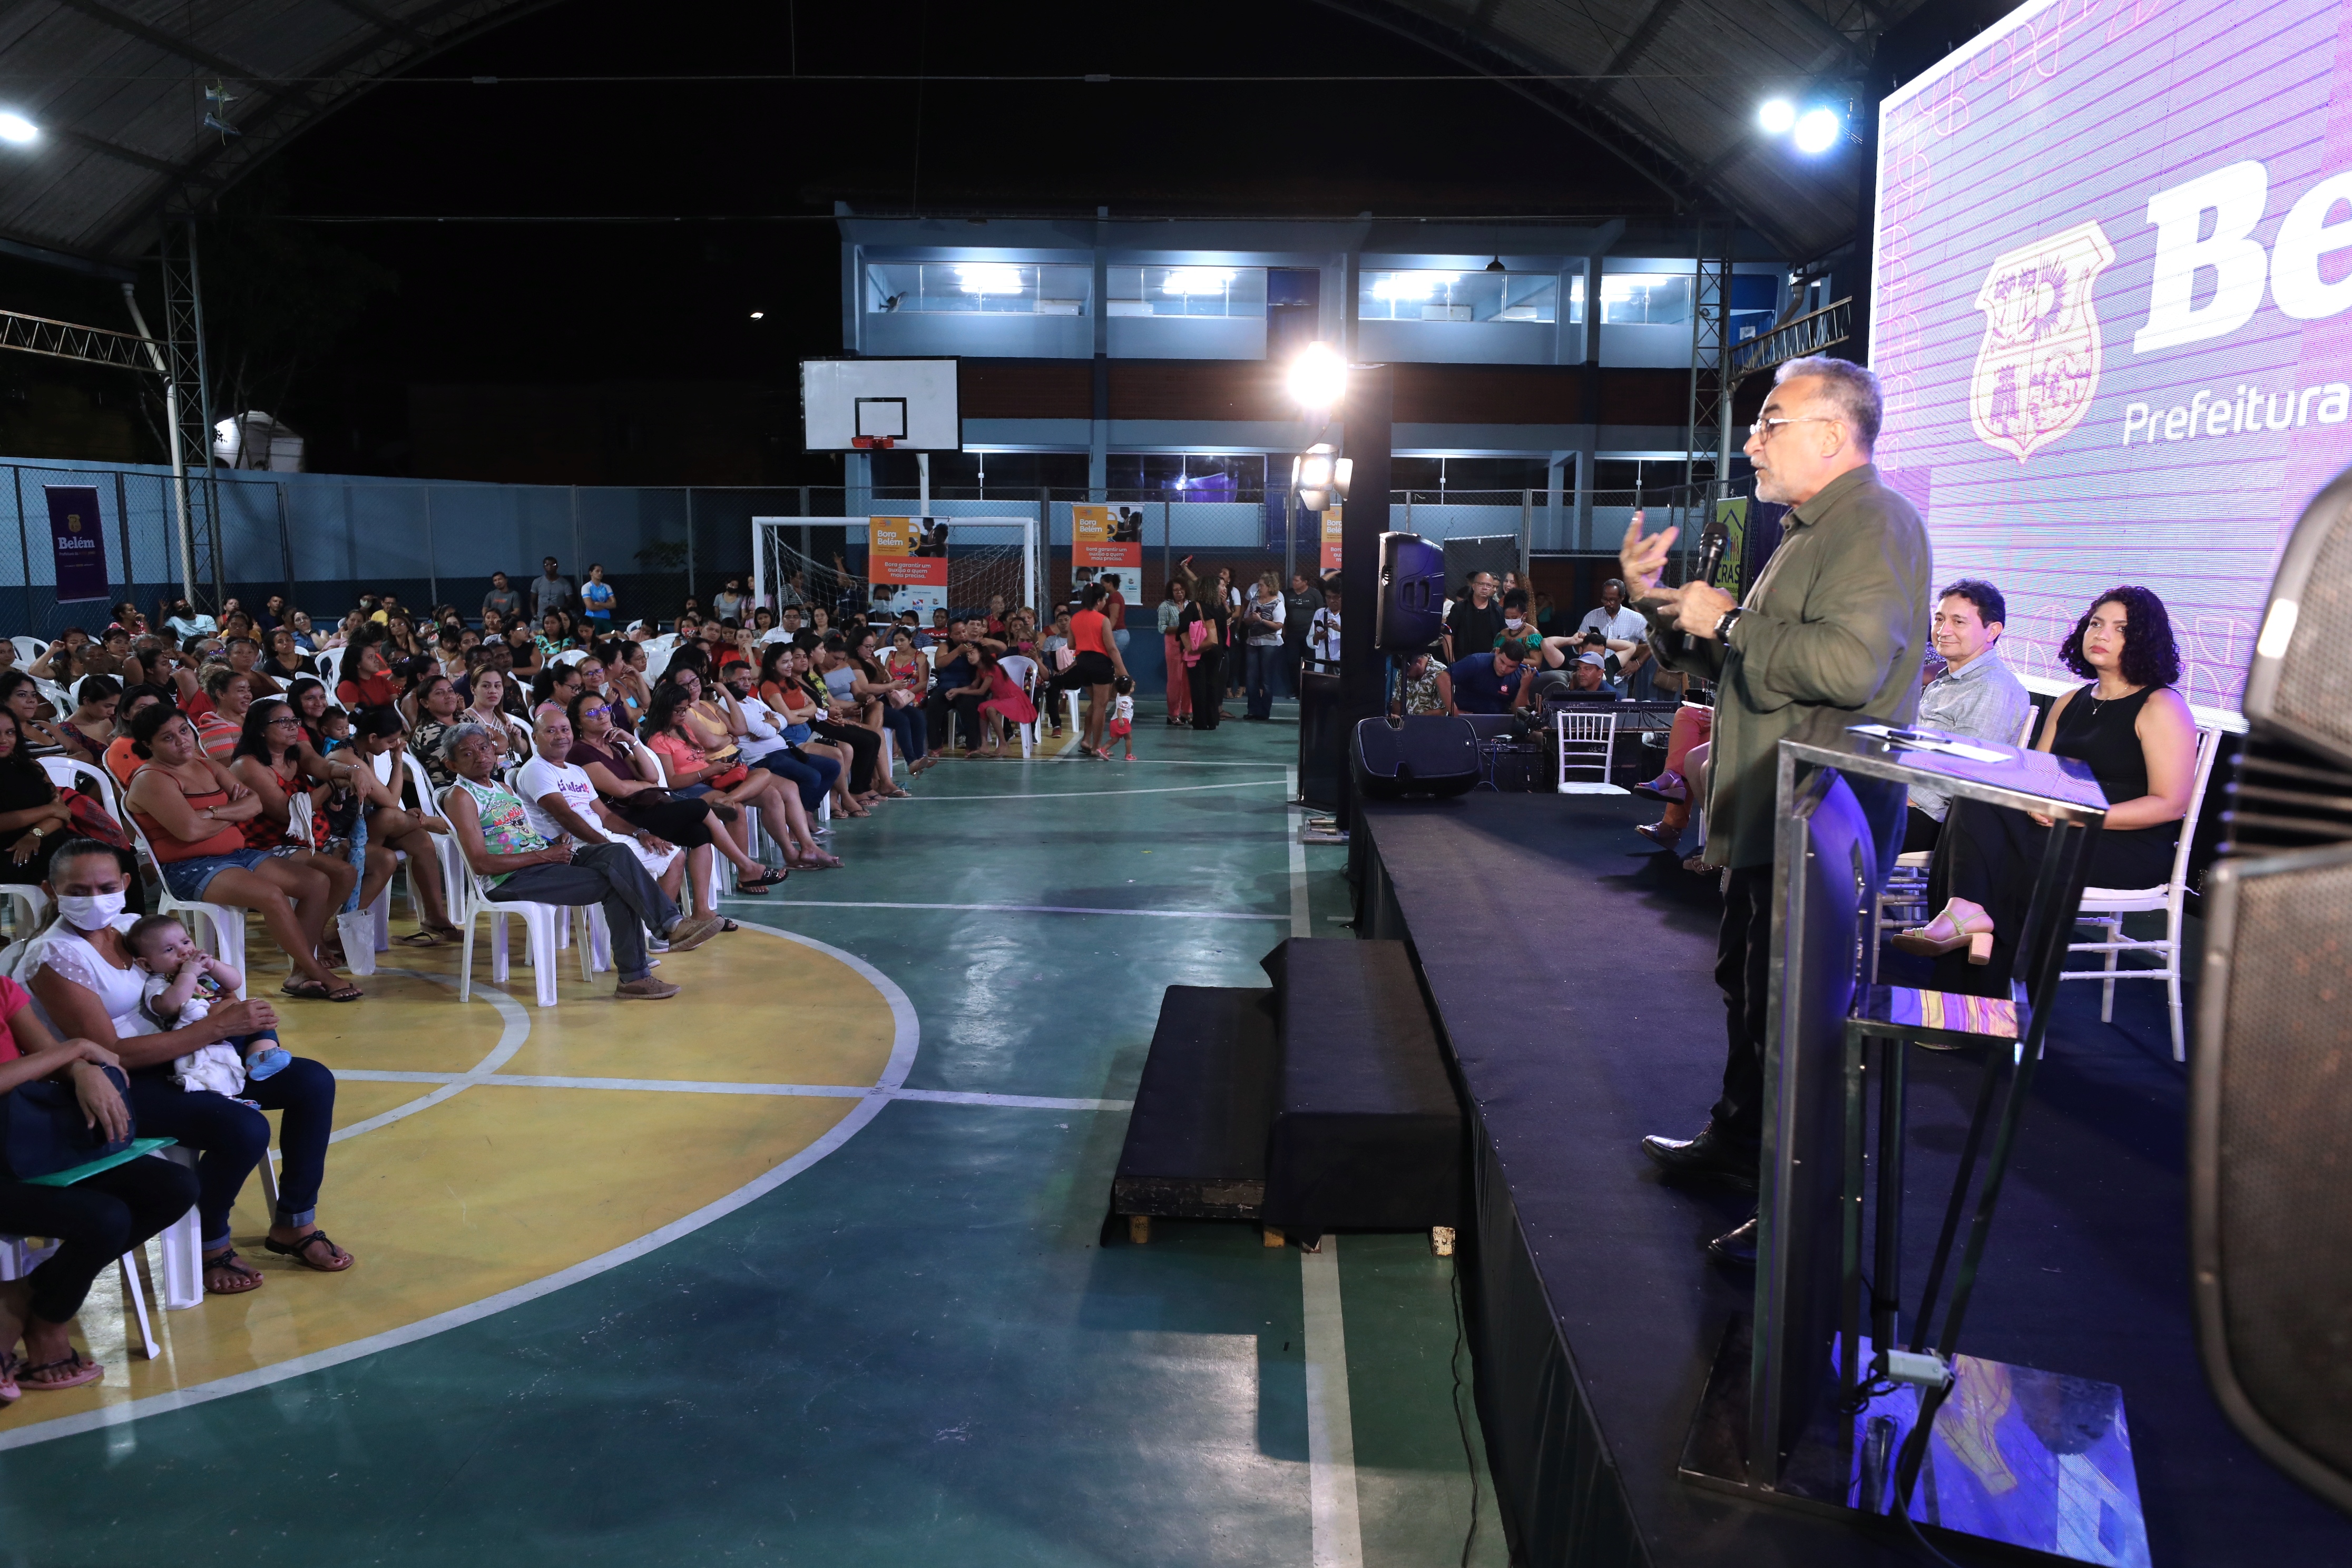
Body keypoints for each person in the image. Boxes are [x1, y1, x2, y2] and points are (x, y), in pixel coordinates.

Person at [1621, 355, 1930, 1267]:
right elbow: (1742, 669)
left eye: (1769, 421)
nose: (1750, 440)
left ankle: (1799, 1214)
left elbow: (1844, 669)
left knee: (1802, 1020)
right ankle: (1736, 1147)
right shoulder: (1807, 529)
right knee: (1752, 997)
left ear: (1831, 433)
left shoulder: (1871, 522)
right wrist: (1659, 609)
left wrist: (1725, 622)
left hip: (1821, 821)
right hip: (1777, 816)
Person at [32, 838, 351, 1294]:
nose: (94, 898)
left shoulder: (130, 928)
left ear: (125, 883)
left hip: (179, 1052)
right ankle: (210, 1241)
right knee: (242, 1129)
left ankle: (294, 1222)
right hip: (115, 1080)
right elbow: (108, 1052)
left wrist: (220, 1004)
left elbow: (192, 982)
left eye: (105, 885)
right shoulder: (56, 956)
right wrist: (214, 1030)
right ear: (51, 891)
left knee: (312, 1082)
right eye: (78, 891)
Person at [1901, 586, 2197, 995]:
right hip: (2062, 825)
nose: (2101, 635)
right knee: (1978, 796)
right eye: (2096, 624)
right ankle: (1967, 931)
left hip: (2126, 841)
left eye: (2120, 629)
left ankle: (1972, 980)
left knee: (2000, 854)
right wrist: (2036, 805)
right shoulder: (2070, 700)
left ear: (2145, 639)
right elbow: (2031, 777)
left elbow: (2170, 804)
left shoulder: (2162, 705)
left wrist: (2076, 815)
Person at [0, 976, 198, 1390]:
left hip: (25, 1143)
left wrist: (79, 1070)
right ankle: (50, 1321)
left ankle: (21, 1299)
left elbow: (48, 1054)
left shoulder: (3, 988)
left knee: (173, 1188)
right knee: (103, 1219)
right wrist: (76, 1049)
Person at [439, 723, 721, 1001]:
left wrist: (551, 845)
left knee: (617, 854)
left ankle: (669, 926)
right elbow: (481, 864)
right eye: (467, 753)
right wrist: (544, 855)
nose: (480, 756)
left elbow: (521, 836)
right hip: (508, 879)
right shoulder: (461, 797)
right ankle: (638, 971)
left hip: (541, 863)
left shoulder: (502, 788)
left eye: (484, 747)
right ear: (451, 765)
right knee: (617, 883)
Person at [122, 704, 362, 1002]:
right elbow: (190, 833)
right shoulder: (152, 779)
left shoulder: (207, 765)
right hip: (189, 867)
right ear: (149, 745)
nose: (182, 741)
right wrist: (231, 814)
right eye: (168, 738)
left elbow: (255, 805)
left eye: (184, 731)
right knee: (271, 894)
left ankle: (301, 973)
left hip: (239, 855)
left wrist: (210, 814)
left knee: (317, 883)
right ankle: (320, 974)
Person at [1900, 580, 2034, 854]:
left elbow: (1961, 776)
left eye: (1958, 622)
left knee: (1816, 824)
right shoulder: (1946, 680)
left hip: (1937, 821)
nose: (1942, 630)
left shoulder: (1992, 688)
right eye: (1940, 619)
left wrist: (1897, 796)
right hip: (1904, 796)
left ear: (1992, 631)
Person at [128, 914, 290, 1091]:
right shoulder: (159, 982)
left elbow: (235, 982)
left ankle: (260, 1057)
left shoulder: (204, 971)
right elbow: (168, 1007)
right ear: (146, 965)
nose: (183, 952)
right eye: (169, 950)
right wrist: (188, 975)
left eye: (185, 942)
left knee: (258, 1014)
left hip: (234, 1027)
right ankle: (229, 1089)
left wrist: (213, 966)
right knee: (211, 1069)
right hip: (204, 1040)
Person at [1240, 571, 1286, 720]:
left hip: (1270, 644)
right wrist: (1251, 620)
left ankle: (1264, 712)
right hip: (1253, 642)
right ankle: (1253, 710)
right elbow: (1245, 619)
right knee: (1251, 677)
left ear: (1270, 586)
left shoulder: (1278, 603)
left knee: (1266, 678)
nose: (1259, 588)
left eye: (1261, 585)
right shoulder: (1254, 601)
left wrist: (1261, 620)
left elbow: (1279, 625)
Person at [1445, 643, 1534, 715]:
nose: (1504, 669)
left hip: (1497, 722)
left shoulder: (1519, 676)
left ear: (1520, 664)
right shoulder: (1476, 662)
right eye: (1502, 662)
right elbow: (1442, 677)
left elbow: (1519, 713)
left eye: (1511, 667)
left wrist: (1525, 687)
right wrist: (1455, 712)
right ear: (1497, 652)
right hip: (1465, 717)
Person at [1443, 571, 1504, 663]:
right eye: (1481, 584)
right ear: (1474, 586)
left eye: (1489, 585)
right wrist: (1452, 662)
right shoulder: (1459, 608)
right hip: (1463, 662)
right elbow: (1448, 635)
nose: (1485, 588)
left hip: (1490, 663)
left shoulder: (1498, 610)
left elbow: (1503, 636)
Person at [1157, 580, 1194, 728]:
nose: (1180, 592)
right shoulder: (1165, 606)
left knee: (1188, 681)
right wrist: (1181, 628)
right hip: (1173, 645)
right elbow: (1162, 628)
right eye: (1176, 590)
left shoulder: (1190, 605)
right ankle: (1173, 714)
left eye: (1182, 589)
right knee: (1176, 681)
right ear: (1171, 592)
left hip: (1190, 645)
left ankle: (1187, 712)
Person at [1284, 571, 1320, 697]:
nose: (1293, 582)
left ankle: (1307, 690)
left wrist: (1317, 633)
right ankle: (1296, 690)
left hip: (1309, 634)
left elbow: (1320, 612)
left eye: (1297, 580)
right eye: (1293, 580)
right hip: (1292, 634)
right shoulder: (1287, 594)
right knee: (1292, 662)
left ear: (1305, 582)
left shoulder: (1314, 594)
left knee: (1310, 662)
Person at [529, 557, 574, 621]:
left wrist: (558, 608)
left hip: (558, 618)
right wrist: (534, 615)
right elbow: (532, 601)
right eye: (547, 565)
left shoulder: (565, 583)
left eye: (553, 565)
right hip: (540, 618)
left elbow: (571, 602)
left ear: (557, 566)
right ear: (544, 567)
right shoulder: (537, 582)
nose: (550, 567)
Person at [1108, 675, 1136, 761]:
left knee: (1115, 740)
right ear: (1130, 689)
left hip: (1114, 721)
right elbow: (1120, 710)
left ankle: (1102, 750)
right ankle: (1128, 755)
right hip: (1123, 721)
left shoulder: (1119, 695)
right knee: (1129, 738)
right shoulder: (1126, 700)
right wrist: (1121, 720)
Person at [581, 563, 616, 631]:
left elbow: (614, 605)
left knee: (613, 636)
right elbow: (590, 607)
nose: (600, 573)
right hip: (592, 618)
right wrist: (607, 604)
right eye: (597, 571)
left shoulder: (607, 587)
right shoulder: (586, 587)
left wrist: (598, 603)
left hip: (606, 618)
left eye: (601, 572)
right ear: (591, 573)